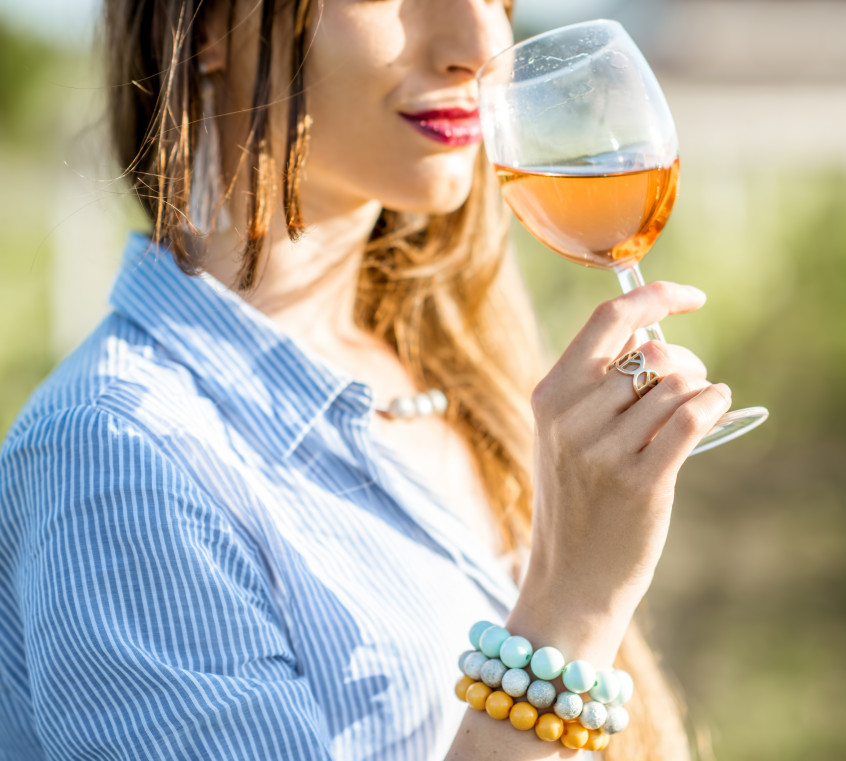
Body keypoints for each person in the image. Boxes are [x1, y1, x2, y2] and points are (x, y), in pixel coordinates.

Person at [0, 0, 732, 758]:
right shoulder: (120, 461)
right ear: (212, 28)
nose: (481, 44)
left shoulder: (455, 363)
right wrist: (572, 607)